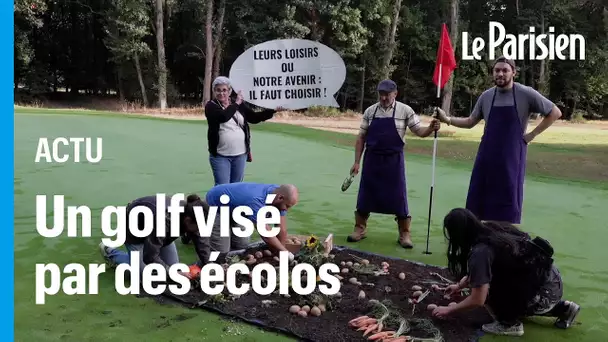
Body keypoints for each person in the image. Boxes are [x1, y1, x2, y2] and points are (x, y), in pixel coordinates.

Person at [434, 57, 562, 224]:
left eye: (505, 70)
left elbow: (555, 112)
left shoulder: (525, 93)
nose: (500, 73)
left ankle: (505, 239)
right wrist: (447, 120)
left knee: (507, 198)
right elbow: (470, 121)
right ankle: (477, 237)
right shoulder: (487, 96)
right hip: (487, 154)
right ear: (493, 73)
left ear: (513, 73)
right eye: (497, 70)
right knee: (479, 196)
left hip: (512, 156)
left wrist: (532, 134)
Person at [431, 208, 580, 336]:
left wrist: (450, 309)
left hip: (541, 294)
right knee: (498, 280)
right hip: (551, 282)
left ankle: (509, 325)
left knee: (488, 292)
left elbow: (478, 299)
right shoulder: (492, 228)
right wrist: (460, 286)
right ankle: (564, 308)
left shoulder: (480, 252)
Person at [347, 79, 440, 248]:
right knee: (366, 194)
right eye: (381, 95)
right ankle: (360, 228)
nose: (383, 98)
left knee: (399, 196)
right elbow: (361, 137)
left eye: (387, 95)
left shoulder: (405, 110)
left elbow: (419, 131)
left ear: (395, 94)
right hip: (372, 159)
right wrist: (356, 162)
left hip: (394, 160)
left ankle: (404, 233)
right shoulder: (370, 111)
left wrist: (431, 129)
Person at [98, 194, 213, 275]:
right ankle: (110, 253)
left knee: (174, 268)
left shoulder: (194, 216)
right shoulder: (164, 220)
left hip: (160, 234)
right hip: (134, 230)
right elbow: (150, 256)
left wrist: (210, 266)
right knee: (148, 274)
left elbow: (202, 244)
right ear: (188, 221)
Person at [183, 182, 299, 262]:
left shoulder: (277, 194)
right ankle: (194, 233)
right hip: (216, 206)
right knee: (221, 251)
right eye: (287, 206)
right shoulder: (256, 201)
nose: (286, 210)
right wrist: (285, 253)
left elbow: (281, 229)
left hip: (237, 209)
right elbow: (266, 234)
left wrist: (279, 252)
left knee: (241, 245)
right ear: (280, 198)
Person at [205, 76, 284, 185]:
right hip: (220, 155)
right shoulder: (211, 106)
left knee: (236, 188)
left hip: (240, 154)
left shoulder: (237, 104)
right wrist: (236, 103)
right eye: (218, 90)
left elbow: (254, 118)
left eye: (224, 90)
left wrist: (272, 110)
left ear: (229, 91)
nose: (221, 93)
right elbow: (224, 117)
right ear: (214, 91)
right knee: (222, 189)